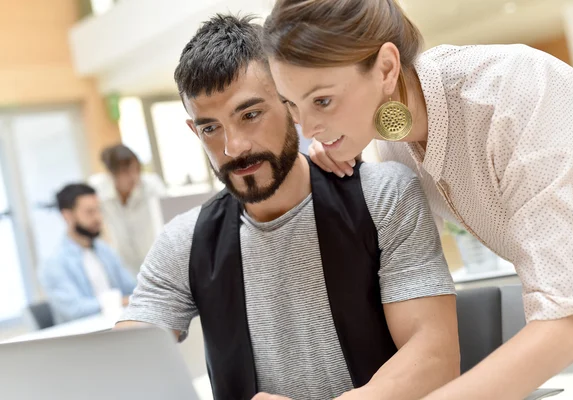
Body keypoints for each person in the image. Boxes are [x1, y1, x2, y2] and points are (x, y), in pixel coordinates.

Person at [261, 1, 573, 399]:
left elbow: (560, 332)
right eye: (292, 105)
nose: (310, 128)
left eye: (322, 101)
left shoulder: (508, 93)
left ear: (386, 69)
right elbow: (408, 278)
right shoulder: (394, 144)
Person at [117, 15, 459, 400]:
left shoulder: (383, 196)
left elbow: (435, 357)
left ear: (290, 105)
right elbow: (125, 365)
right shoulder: (185, 242)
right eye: (211, 127)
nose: (234, 147)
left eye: (250, 115)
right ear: (195, 132)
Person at [39, 184, 136, 323]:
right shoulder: (53, 262)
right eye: (90, 212)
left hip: (118, 327)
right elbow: (74, 310)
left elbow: (131, 288)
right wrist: (120, 301)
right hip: (84, 338)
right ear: (67, 216)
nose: (98, 218)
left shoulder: (104, 250)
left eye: (99, 210)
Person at [88, 144, 166, 276]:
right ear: (111, 173)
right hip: (121, 263)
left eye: (136, 169)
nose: (133, 176)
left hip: (154, 260)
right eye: (125, 171)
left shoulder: (152, 185)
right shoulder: (98, 189)